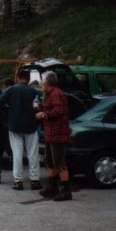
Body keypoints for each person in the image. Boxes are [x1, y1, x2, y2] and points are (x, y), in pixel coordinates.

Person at [0, 70, 42, 191]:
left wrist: (6, 119)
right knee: (33, 153)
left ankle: (18, 181)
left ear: (18, 78)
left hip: (15, 126)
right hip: (31, 125)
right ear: (28, 79)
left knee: (17, 153)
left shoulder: (11, 90)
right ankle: (35, 180)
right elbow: (38, 107)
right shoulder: (34, 91)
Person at [36, 71, 73, 201]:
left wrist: (44, 115)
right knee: (49, 160)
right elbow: (50, 108)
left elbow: (58, 111)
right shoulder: (50, 94)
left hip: (58, 133)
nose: (41, 83)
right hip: (50, 132)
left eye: (42, 80)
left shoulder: (57, 94)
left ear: (46, 82)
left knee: (59, 162)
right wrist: (40, 107)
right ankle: (53, 187)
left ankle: (66, 191)